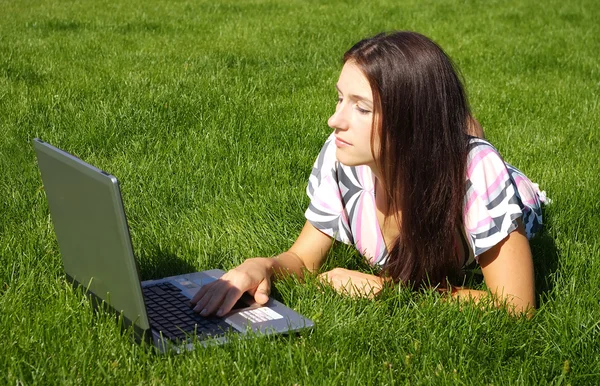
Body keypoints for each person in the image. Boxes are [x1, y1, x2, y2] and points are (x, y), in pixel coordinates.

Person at [191, 31, 547, 317]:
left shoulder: (476, 175)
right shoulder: (341, 155)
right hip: (425, 154)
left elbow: (516, 307)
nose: (335, 121)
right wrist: (260, 266)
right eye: (339, 99)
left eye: (361, 107)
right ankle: (455, 128)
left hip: (506, 189)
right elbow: (302, 259)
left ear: (411, 120)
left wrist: (390, 290)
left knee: (474, 153)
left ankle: (460, 133)